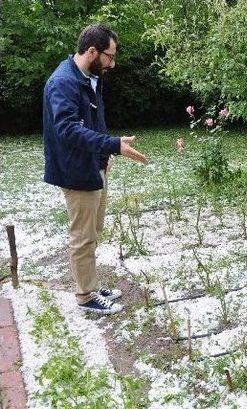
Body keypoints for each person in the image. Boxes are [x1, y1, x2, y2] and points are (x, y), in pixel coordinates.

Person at [43, 23, 148, 314]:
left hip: (93, 164)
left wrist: (104, 153)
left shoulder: (89, 77)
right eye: (109, 56)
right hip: (76, 171)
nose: (112, 64)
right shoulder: (63, 82)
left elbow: (92, 121)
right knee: (83, 235)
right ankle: (85, 295)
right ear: (92, 51)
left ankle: (89, 282)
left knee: (94, 230)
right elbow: (67, 130)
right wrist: (112, 144)